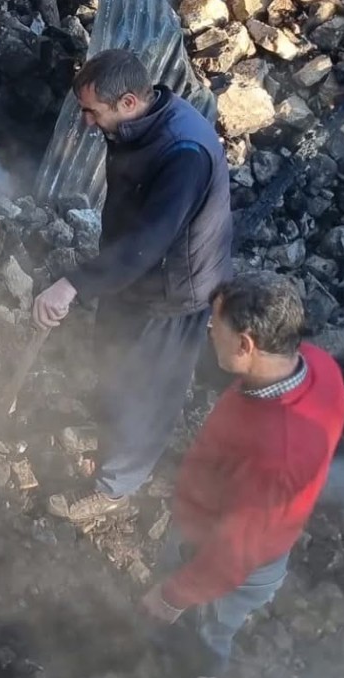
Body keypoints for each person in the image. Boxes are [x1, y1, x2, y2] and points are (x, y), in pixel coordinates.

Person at [37, 49, 233, 522]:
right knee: (112, 361)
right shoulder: (136, 123)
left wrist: (74, 283)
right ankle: (105, 433)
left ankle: (115, 488)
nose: (85, 122)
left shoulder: (184, 153)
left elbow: (149, 243)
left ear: (127, 101)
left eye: (92, 112)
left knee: (144, 395)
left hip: (173, 292)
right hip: (131, 275)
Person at [138, 272, 344, 678]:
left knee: (214, 626)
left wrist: (172, 596)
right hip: (228, 528)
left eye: (216, 325)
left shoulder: (275, 457)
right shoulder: (319, 367)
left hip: (238, 560)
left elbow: (234, 555)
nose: (210, 330)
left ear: (246, 344)